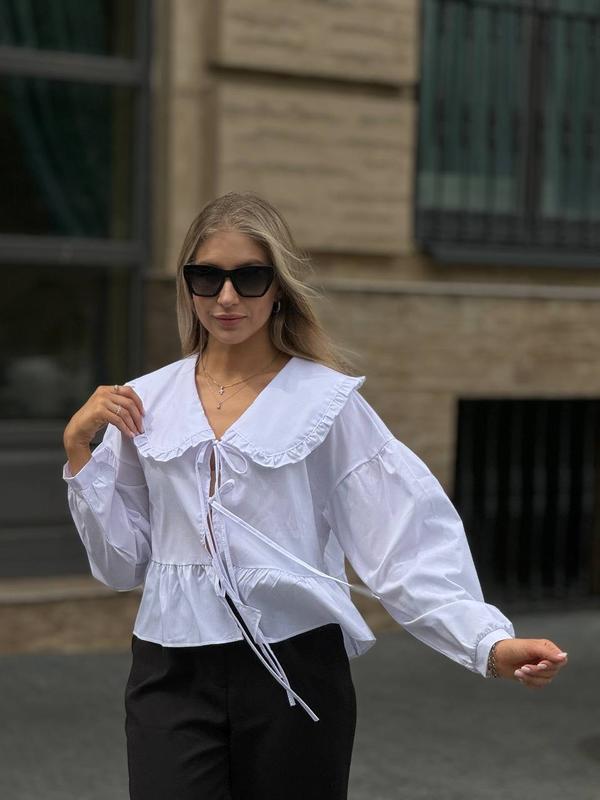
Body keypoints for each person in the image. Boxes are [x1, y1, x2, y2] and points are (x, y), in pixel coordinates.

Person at [62, 191, 569, 799]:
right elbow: (121, 565)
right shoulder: (144, 402)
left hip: (297, 667)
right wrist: (79, 452)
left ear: (278, 286)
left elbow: (403, 540)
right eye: (207, 277)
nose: (227, 297)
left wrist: (488, 642)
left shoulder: (325, 402)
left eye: (250, 277)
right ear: (187, 285)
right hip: (170, 667)